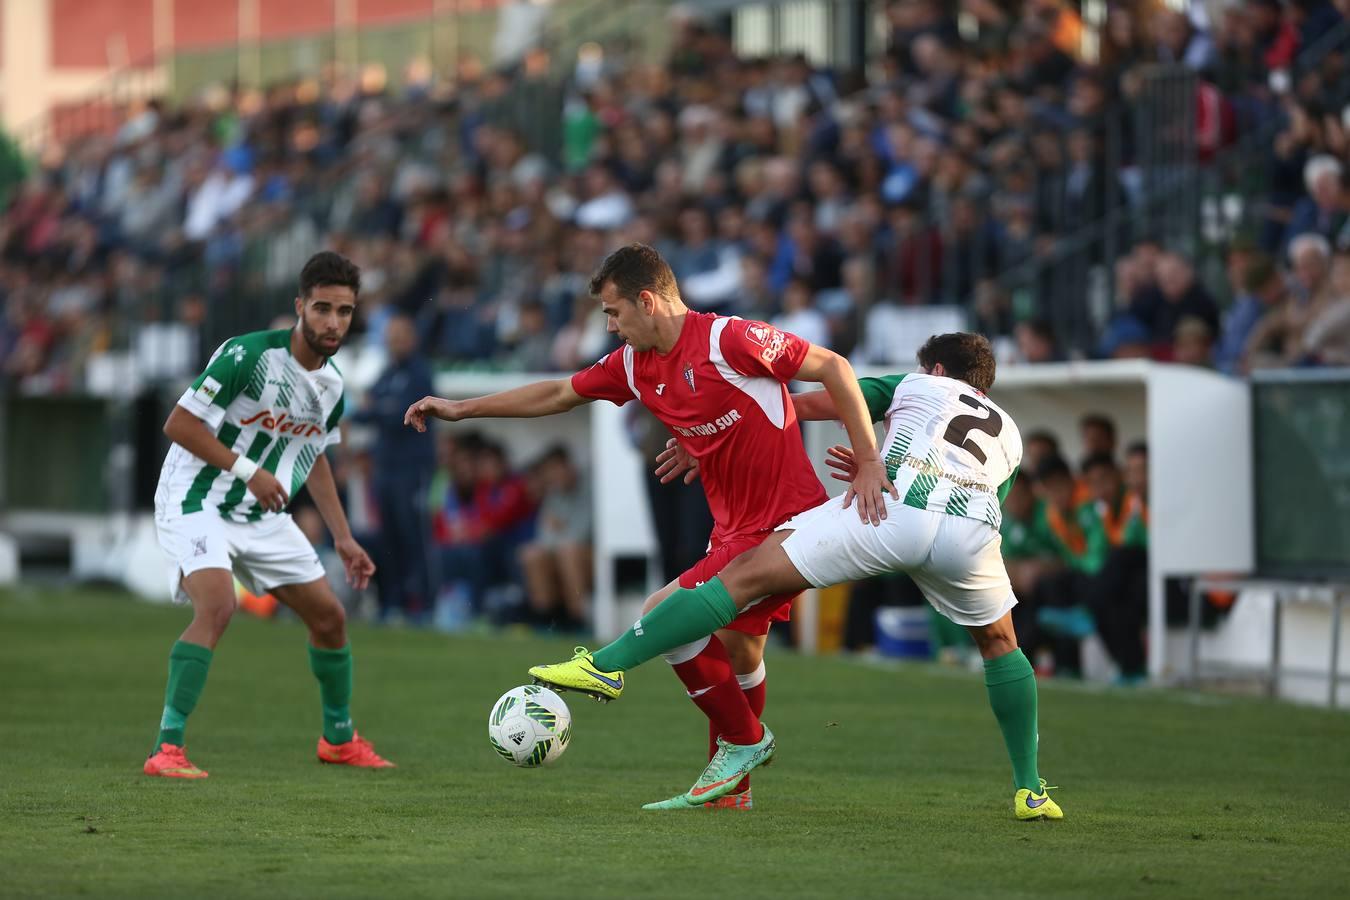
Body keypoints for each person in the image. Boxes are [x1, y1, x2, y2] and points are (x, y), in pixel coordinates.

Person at [405, 243, 890, 810]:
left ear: (648, 301)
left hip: (783, 524)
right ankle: (731, 793)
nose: (610, 327)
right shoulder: (636, 365)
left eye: (613, 313)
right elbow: (560, 393)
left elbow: (834, 367)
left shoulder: (727, 338)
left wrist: (871, 459)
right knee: (741, 655)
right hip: (731, 528)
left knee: (665, 616)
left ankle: (738, 737)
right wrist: (462, 409)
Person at [530, 333, 1064, 820]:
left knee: (744, 574)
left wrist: (727, 430)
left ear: (938, 368)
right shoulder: (1010, 434)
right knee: (999, 645)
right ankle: (1030, 789)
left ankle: (606, 664)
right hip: (969, 532)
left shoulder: (919, 383)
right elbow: (982, 493)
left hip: (890, 508)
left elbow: (828, 397)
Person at [145, 251, 392, 779]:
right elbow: (180, 424)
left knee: (329, 618)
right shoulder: (247, 355)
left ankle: (339, 740)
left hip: (258, 512)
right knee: (216, 608)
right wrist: (247, 469)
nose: (333, 322)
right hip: (197, 497)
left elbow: (316, 454)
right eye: (322, 308)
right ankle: (166, 749)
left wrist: (343, 538)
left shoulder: (333, 386)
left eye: (344, 312)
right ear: (300, 306)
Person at [351, 314, 436, 622]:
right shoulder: (388, 373)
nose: (395, 342)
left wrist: (378, 409)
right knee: (389, 537)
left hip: (412, 469)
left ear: (412, 338)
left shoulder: (418, 373)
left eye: (401, 335)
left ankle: (425, 605)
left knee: (414, 535)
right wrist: (378, 409)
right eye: (391, 336)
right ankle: (394, 602)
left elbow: (398, 415)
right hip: (385, 468)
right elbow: (366, 409)